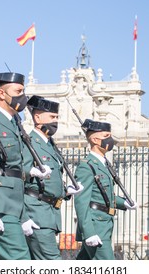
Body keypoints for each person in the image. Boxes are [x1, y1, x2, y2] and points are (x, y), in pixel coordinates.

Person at [0, 72, 51, 260]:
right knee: (20, 260)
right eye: (18, 91)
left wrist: (22, 215)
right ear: (1, 94)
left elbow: (14, 171)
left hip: (11, 204)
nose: (23, 96)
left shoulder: (14, 124)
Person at [22, 95, 84, 260]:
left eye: (57, 117)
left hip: (51, 213)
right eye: (52, 117)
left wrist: (66, 191)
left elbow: (51, 180)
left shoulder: (50, 144)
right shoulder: (29, 142)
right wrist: (31, 171)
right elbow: (18, 171)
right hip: (36, 211)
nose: (55, 121)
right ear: (37, 117)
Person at [74, 119, 137, 260]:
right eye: (106, 136)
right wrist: (89, 232)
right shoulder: (87, 166)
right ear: (95, 140)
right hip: (95, 225)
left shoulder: (103, 164)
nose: (110, 139)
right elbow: (81, 202)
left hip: (105, 223)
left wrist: (123, 202)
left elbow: (104, 195)